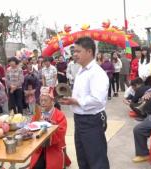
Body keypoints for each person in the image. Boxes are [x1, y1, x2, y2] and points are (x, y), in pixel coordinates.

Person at [59, 37, 109, 169]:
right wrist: (71, 99)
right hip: (80, 120)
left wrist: (76, 101)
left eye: (78, 51)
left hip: (91, 121)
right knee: (83, 158)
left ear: (89, 52)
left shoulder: (97, 73)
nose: (74, 54)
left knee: (97, 160)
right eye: (74, 51)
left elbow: (98, 100)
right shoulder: (81, 70)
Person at [30, 86, 69, 169]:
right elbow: (32, 127)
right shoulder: (38, 114)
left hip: (54, 148)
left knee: (52, 165)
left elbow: (61, 133)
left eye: (45, 100)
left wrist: (51, 127)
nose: (43, 103)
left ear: (52, 101)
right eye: (41, 100)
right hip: (39, 148)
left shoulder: (60, 115)